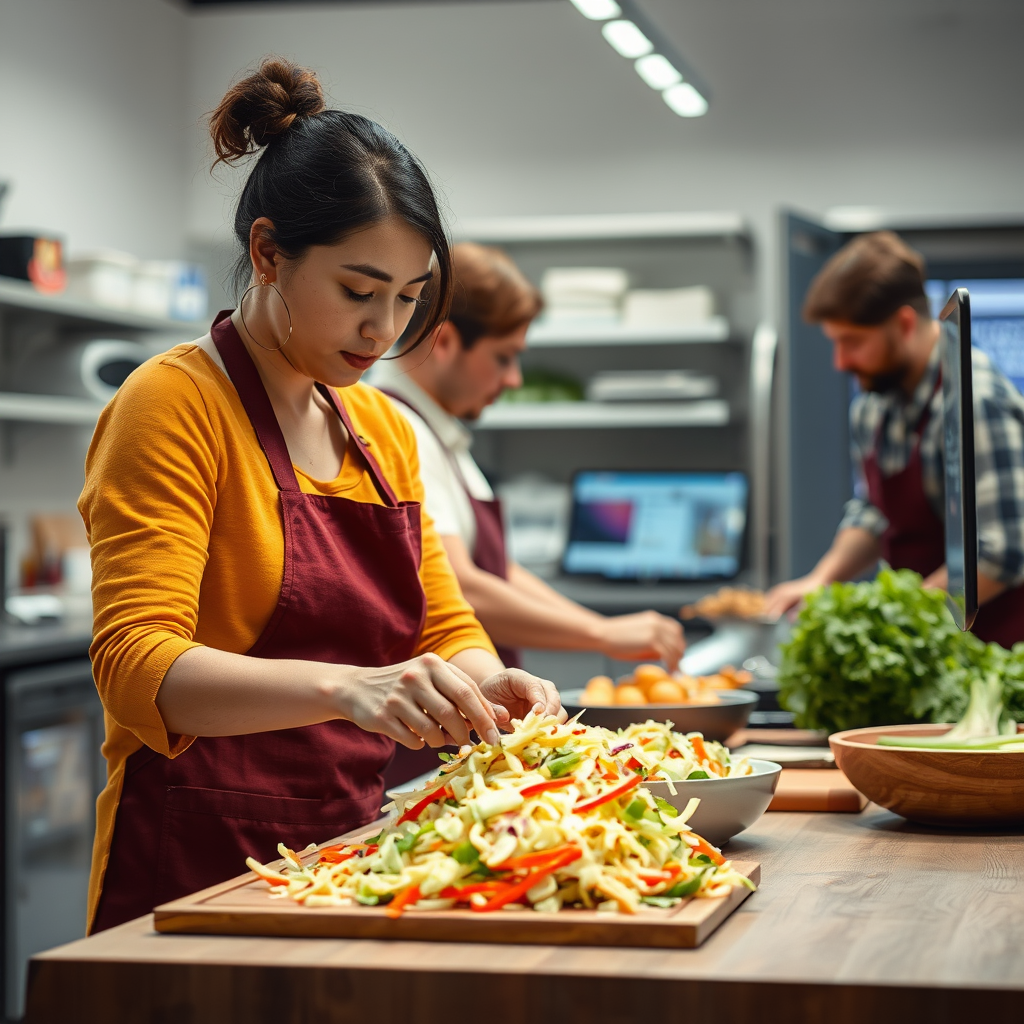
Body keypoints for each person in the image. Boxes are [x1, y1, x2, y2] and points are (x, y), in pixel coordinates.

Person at [79, 59, 560, 935]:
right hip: (191, 870)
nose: (384, 332)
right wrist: (349, 689)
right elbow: (136, 666)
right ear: (267, 253)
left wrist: (495, 687)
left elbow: (443, 626)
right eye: (358, 292)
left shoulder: (384, 430)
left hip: (350, 859)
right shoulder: (175, 403)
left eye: (410, 299)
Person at [373, 242, 686, 670]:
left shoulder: (436, 431)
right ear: (444, 341)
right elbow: (461, 587)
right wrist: (602, 634)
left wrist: (602, 629)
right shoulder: (396, 427)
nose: (515, 379)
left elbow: (500, 572)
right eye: (503, 358)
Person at [765, 231, 1024, 646]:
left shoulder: (975, 399)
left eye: (852, 342)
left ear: (904, 323)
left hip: (997, 652)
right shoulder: (874, 405)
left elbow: (1004, 550)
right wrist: (820, 579)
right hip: (933, 645)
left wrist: (895, 623)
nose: (840, 361)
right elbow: (874, 511)